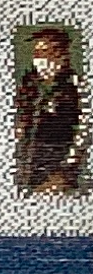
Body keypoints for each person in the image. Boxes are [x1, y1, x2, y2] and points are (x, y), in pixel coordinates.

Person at [20, 26, 83, 192]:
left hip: (60, 158)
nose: (38, 58)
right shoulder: (30, 83)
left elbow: (84, 129)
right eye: (36, 52)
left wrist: (68, 167)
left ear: (61, 54)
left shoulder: (74, 86)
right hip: (31, 157)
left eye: (44, 52)